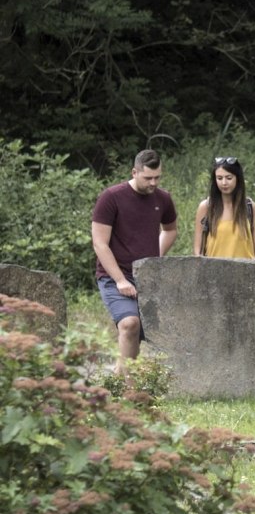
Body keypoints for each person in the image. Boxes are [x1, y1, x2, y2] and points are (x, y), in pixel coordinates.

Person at [90, 149, 178, 367]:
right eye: (148, 178)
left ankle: (121, 385)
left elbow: (170, 229)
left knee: (138, 334)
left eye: (157, 177)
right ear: (134, 172)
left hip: (147, 277)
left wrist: (153, 259)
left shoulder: (163, 199)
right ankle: (128, 391)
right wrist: (120, 280)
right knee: (129, 324)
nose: (153, 183)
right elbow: (100, 243)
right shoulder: (111, 198)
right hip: (114, 275)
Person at [193, 156, 255, 259]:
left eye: (229, 178)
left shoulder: (249, 207)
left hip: (246, 271)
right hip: (214, 271)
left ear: (237, 178)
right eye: (219, 178)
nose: (224, 183)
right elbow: (197, 249)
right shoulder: (206, 207)